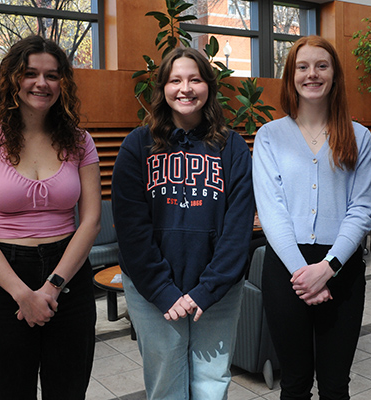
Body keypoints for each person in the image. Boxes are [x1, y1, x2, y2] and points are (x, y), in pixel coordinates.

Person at [0, 35, 101, 400]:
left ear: (62, 83)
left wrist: (51, 287)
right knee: (9, 391)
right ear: (12, 78)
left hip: (67, 275)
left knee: (68, 391)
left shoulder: (80, 142)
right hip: (5, 276)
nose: (42, 83)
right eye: (30, 73)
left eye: (52, 75)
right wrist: (22, 294)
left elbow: (90, 222)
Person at [112, 47, 254, 400]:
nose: (185, 88)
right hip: (152, 291)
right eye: (175, 80)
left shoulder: (233, 147)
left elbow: (238, 227)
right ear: (162, 88)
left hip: (217, 292)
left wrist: (209, 287)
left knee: (211, 383)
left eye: (195, 79)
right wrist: (161, 290)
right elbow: (131, 228)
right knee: (165, 386)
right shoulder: (137, 146)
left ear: (209, 86)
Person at [253, 35, 371, 399]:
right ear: (291, 75)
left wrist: (328, 268)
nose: (312, 74)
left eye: (321, 66)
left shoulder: (359, 136)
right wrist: (302, 273)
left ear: (335, 75)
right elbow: (271, 210)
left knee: (336, 384)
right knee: (294, 382)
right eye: (303, 67)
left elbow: (363, 208)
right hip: (286, 270)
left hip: (342, 268)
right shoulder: (269, 137)